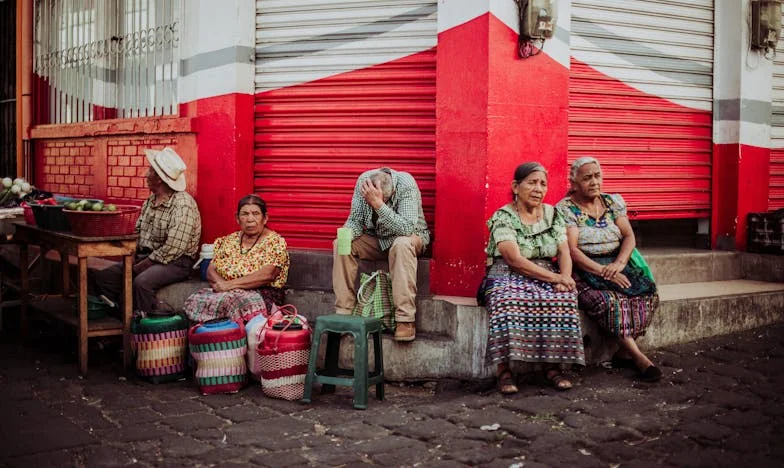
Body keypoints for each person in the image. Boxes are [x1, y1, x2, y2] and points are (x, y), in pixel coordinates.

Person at [481, 162, 584, 395]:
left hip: (547, 271)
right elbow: (513, 259)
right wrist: (554, 277)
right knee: (506, 300)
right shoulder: (503, 216)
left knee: (564, 298)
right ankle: (504, 370)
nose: (538, 189)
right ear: (516, 187)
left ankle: (553, 367)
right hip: (506, 273)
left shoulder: (552, 214)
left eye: (543, 184)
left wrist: (565, 278)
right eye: (532, 182)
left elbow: (564, 251)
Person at [556, 157, 662, 382]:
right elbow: (572, 250)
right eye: (587, 178)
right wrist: (602, 271)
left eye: (597, 176)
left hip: (616, 264)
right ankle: (638, 356)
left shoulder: (613, 202)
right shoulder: (566, 208)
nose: (594, 182)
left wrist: (619, 265)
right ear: (574, 183)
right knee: (607, 301)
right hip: (585, 269)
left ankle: (624, 352)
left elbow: (628, 236)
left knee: (648, 294)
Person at [92, 147, 202, 317]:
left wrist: (143, 265)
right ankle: (121, 316)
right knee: (104, 277)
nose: (145, 174)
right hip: (147, 257)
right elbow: (138, 232)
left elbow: (174, 248)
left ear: (159, 179)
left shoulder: (183, 204)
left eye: (150, 170)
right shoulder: (150, 201)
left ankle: (140, 326)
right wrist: (129, 253)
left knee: (141, 282)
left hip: (175, 262)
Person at [333, 167, 430, 342]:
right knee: (341, 243)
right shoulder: (364, 182)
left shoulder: (406, 184)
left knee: (401, 244)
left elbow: (407, 228)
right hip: (376, 239)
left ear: (391, 192)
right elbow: (355, 220)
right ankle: (344, 313)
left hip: (409, 238)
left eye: (383, 199)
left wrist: (378, 204)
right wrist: (348, 232)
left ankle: (405, 320)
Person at [183, 195, 289, 323]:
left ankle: (233, 339)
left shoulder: (275, 242)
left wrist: (229, 286)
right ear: (237, 218)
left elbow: (268, 274)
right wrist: (221, 286)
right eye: (244, 214)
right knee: (196, 299)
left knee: (234, 302)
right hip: (228, 291)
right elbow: (211, 269)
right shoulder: (229, 241)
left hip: (262, 293)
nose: (250, 219)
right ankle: (207, 338)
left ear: (265, 218)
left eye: (255, 214)